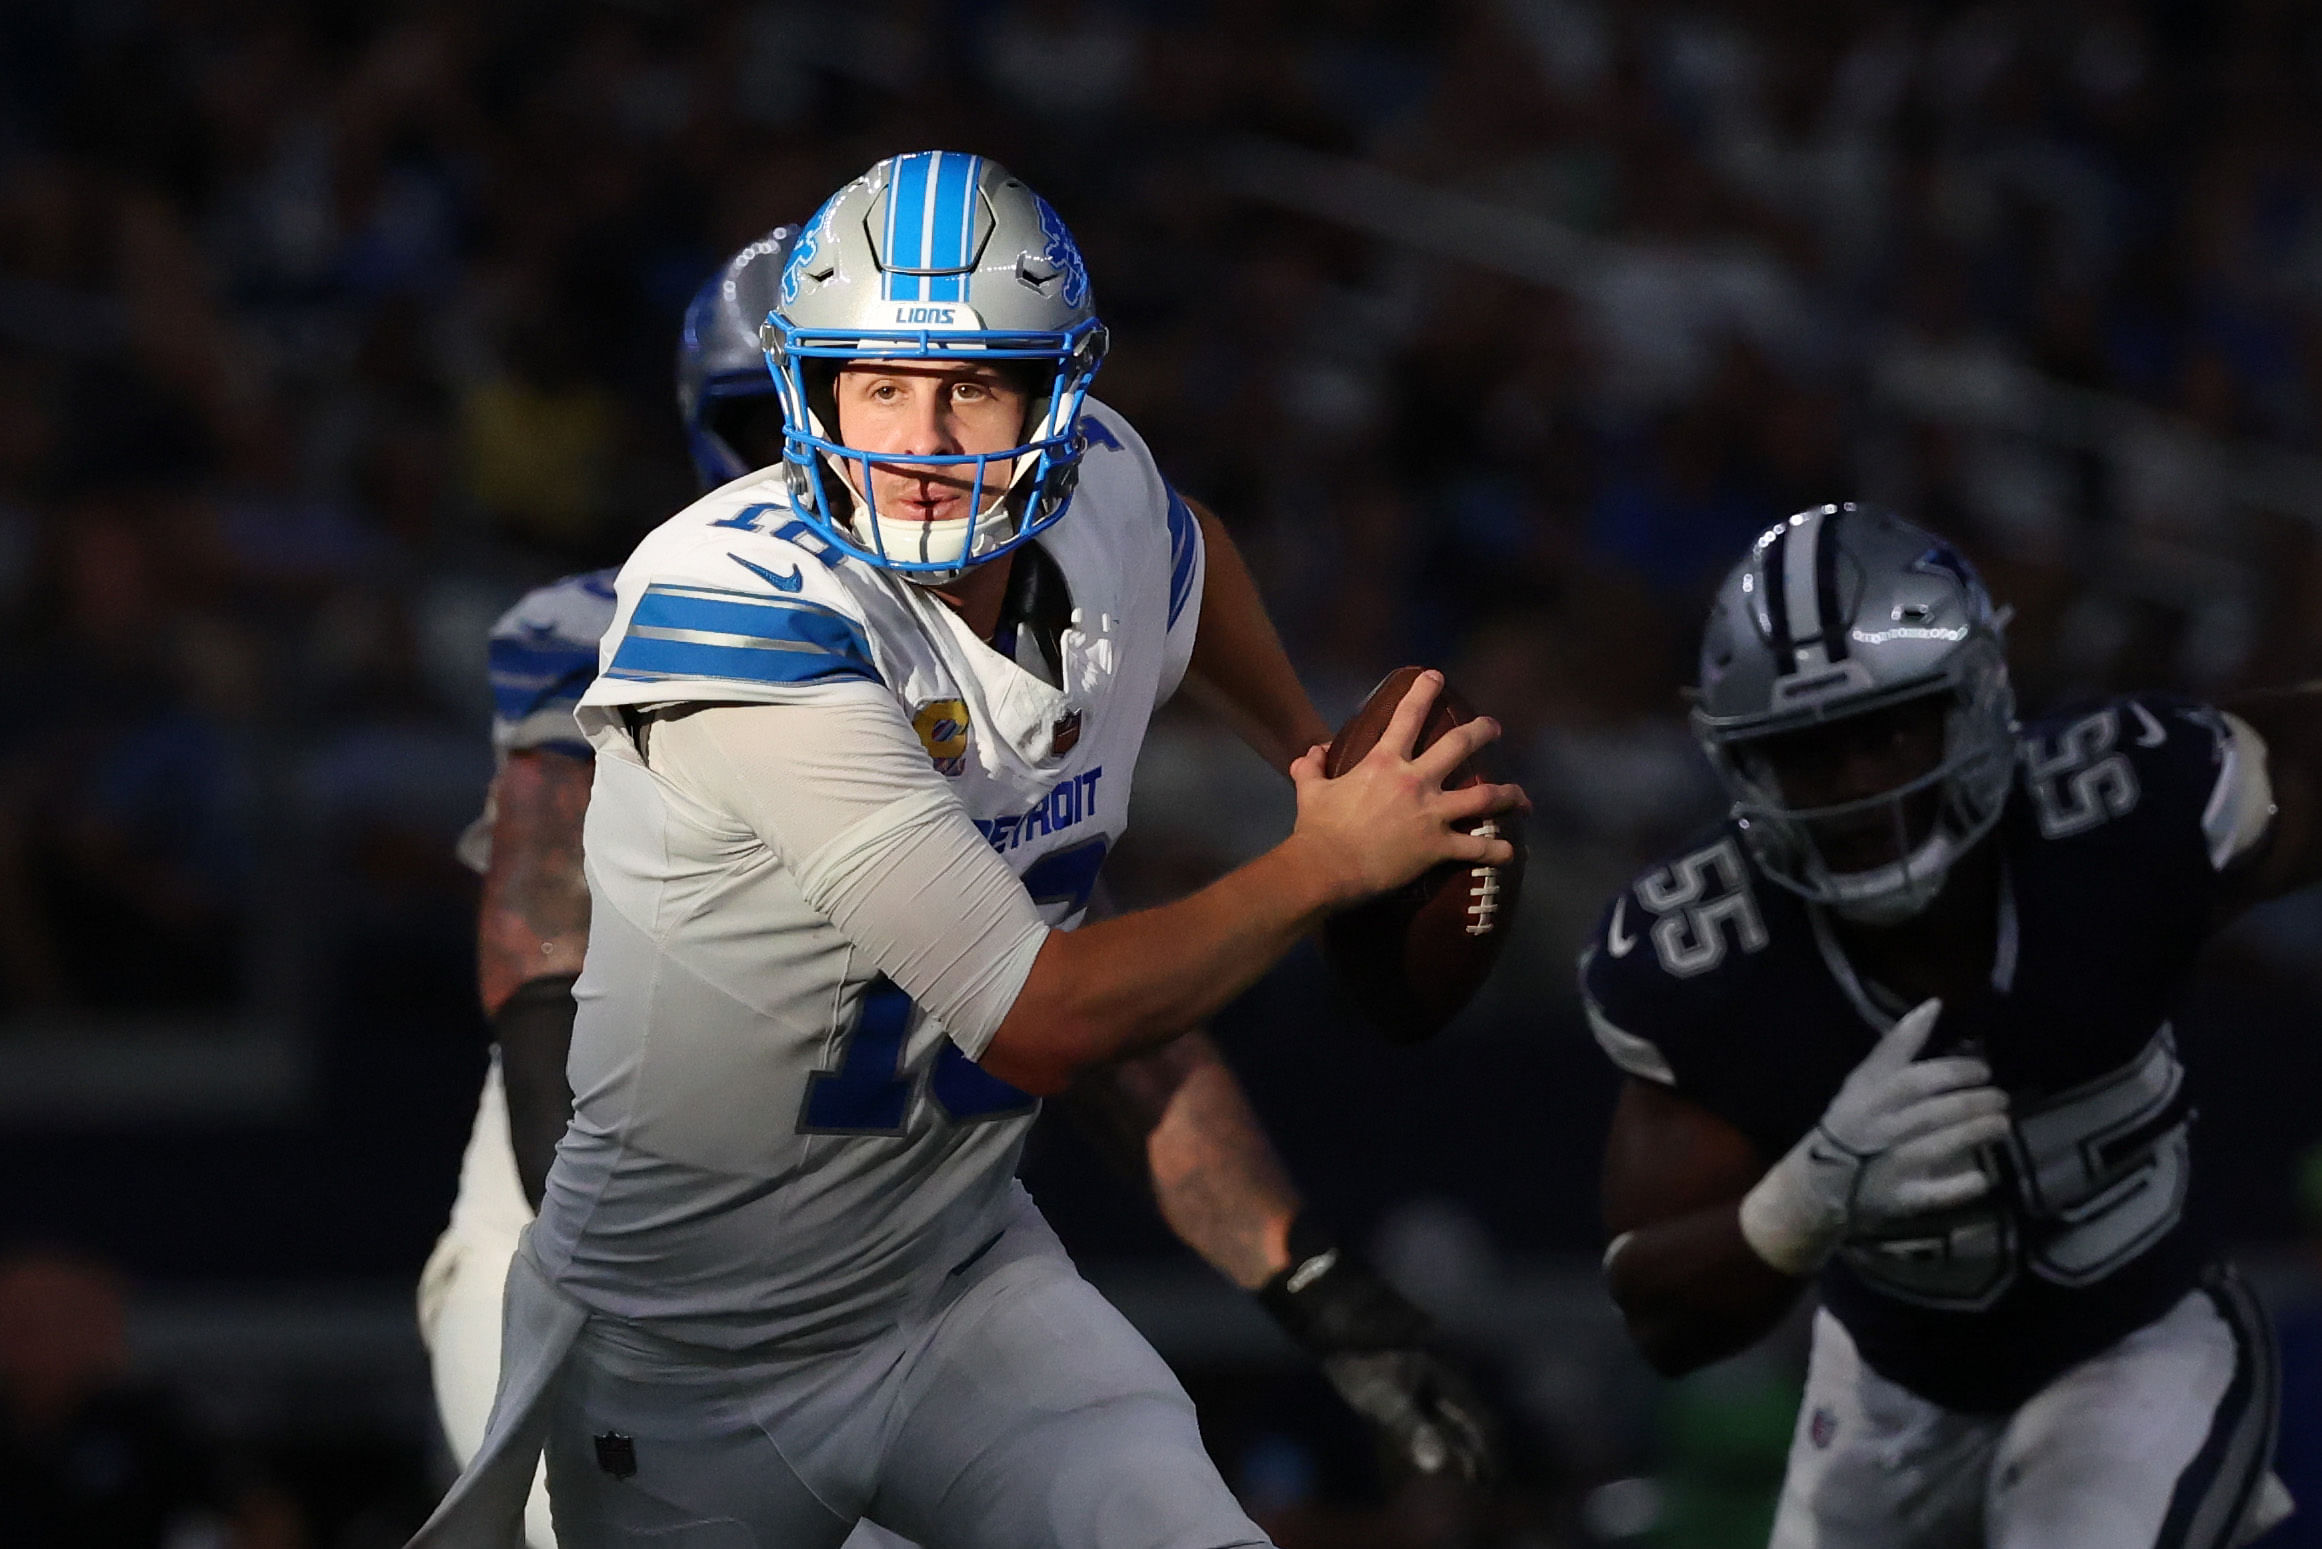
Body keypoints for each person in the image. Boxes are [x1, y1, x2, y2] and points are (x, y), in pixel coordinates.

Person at [411, 154, 1520, 1549]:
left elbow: (1184, 551)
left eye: (972, 385)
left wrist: (1305, 748)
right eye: (870, 385)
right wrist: (1323, 857)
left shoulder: (1102, 484)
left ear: (1056, 396)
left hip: (948, 1270)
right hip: (688, 1341)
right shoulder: (732, 611)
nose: (918, 442)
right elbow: (1042, 1012)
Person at [1582, 502, 2321, 1548]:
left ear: (1977, 696)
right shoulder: (1712, 953)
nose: (1857, 791)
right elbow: (1658, 1310)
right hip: (1891, 1389)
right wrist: (1805, 1199)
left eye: (1887, 732)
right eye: (1809, 752)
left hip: (2139, 1336)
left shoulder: (2122, 806)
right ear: (1745, 767)